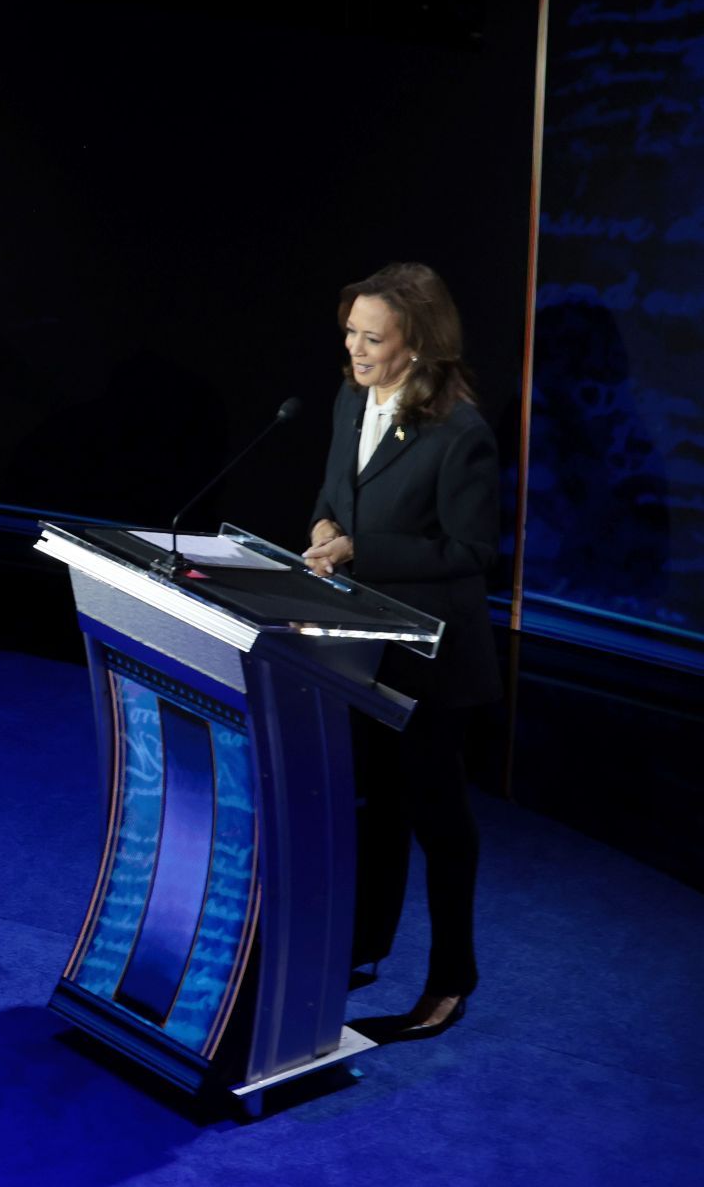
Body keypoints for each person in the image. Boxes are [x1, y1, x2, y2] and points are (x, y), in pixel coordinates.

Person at [302, 261, 498, 1043]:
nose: (354, 347)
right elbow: (333, 496)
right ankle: (365, 944)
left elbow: (471, 549)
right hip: (364, 647)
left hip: (434, 660)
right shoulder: (352, 399)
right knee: (375, 807)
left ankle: (453, 978)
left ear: (415, 344)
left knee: (438, 822)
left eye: (371, 336)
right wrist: (322, 529)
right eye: (350, 331)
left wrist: (359, 549)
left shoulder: (461, 431)